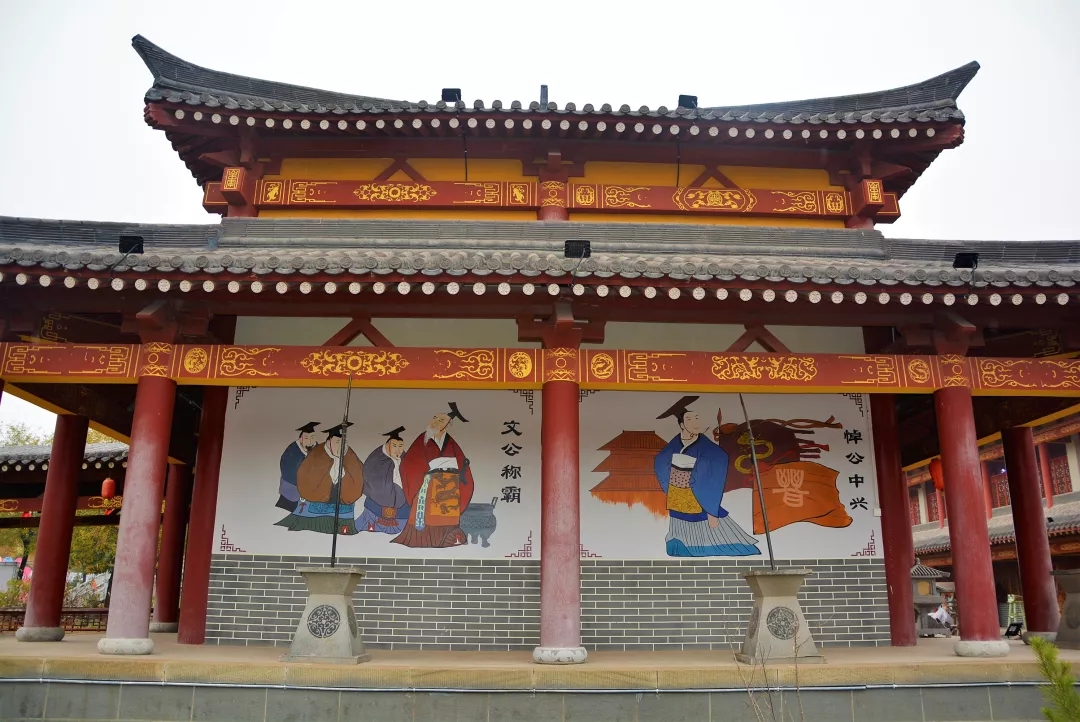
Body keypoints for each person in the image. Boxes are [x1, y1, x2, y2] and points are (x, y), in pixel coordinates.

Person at [653, 396, 760, 557]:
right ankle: (682, 546)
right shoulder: (675, 444)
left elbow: (717, 460)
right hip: (677, 492)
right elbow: (661, 460)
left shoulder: (707, 447)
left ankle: (715, 545)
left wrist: (697, 471)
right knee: (680, 524)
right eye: (689, 419)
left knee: (707, 523)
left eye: (697, 418)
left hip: (698, 490)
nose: (695, 422)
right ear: (682, 425)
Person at [392, 402, 475, 548]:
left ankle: (447, 538)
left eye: (441, 420)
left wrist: (459, 477)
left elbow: (463, 465)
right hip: (428, 485)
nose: (435, 422)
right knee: (428, 515)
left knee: (448, 514)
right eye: (434, 418)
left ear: (447, 426)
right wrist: (426, 476)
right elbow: (409, 464)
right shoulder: (422, 440)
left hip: (450, 486)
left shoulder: (451, 443)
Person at [276, 422, 364, 535]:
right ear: (329, 441)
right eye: (337, 442)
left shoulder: (349, 453)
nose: (341, 446)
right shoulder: (317, 453)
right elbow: (304, 474)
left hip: (342, 496)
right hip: (318, 496)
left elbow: (359, 473)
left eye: (344, 442)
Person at [357, 426, 411, 534]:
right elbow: (369, 478)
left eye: (400, 446)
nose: (398, 450)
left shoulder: (405, 459)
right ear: (387, 445)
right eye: (394, 446)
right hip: (376, 504)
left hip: (402, 504)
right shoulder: (376, 459)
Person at [276, 422, 320, 512]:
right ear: (301, 439)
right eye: (306, 438)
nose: (310, 441)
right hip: (292, 490)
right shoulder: (292, 451)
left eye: (312, 437)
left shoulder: (318, 449)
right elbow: (287, 469)